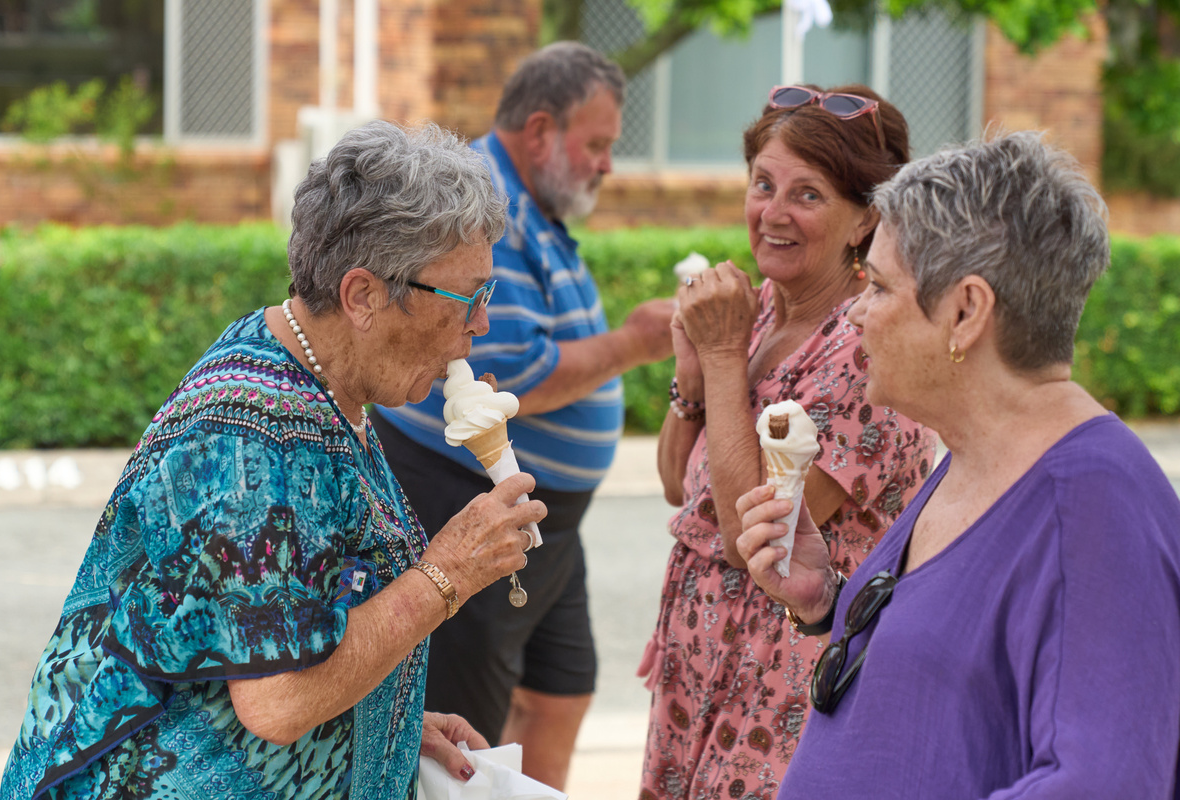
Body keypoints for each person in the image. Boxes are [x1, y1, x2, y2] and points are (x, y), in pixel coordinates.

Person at [1, 120, 548, 799]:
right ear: (362, 296)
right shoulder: (250, 435)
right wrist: (449, 572)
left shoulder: (323, 382)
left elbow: (302, 627)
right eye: (470, 298)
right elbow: (280, 700)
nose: (482, 323)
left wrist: (391, 721)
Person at [737, 131, 1180, 797]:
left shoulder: (1095, 505)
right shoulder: (981, 449)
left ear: (966, 312)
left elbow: (1103, 783)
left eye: (879, 287)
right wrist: (826, 601)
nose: (856, 314)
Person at [369, 41, 675, 789]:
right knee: (466, 724)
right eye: (596, 144)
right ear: (540, 130)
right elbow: (512, 371)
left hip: (551, 520)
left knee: (562, 692)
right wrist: (637, 342)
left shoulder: (532, 200)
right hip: (459, 488)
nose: (607, 165)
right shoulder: (480, 205)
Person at [637, 85, 938, 798]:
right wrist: (691, 381)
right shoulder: (759, 308)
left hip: (783, 685)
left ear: (866, 217)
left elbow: (757, 541)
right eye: (762, 184)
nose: (771, 213)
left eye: (807, 195)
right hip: (698, 664)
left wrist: (717, 359)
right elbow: (681, 487)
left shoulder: (867, 348)